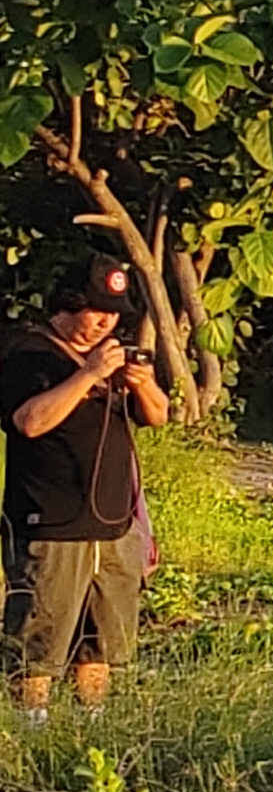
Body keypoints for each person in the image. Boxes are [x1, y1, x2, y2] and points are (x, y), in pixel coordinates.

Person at [4, 256, 175, 714]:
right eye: (96, 310)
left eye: (114, 312)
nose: (106, 321)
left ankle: (93, 727)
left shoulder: (115, 355)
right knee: (38, 647)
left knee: (100, 645)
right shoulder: (30, 354)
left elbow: (158, 417)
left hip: (113, 526)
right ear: (69, 304)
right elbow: (29, 421)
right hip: (52, 527)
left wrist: (141, 383)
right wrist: (90, 375)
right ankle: (32, 728)